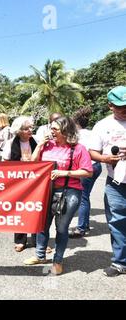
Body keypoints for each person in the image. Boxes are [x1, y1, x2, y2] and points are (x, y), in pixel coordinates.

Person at [24, 116, 93, 275]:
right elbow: (33, 163)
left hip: (69, 191)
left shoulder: (78, 149)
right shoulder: (47, 145)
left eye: (55, 129)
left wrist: (64, 172)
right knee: (42, 224)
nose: (51, 131)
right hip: (46, 190)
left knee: (61, 228)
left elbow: (88, 172)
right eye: (51, 128)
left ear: (65, 130)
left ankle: (58, 261)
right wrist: (40, 145)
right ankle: (40, 256)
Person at [89, 86, 126, 277]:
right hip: (116, 184)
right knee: (118, 222)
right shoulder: (102, 126)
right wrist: (105, 159)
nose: (125, 109)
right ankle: (120, 262)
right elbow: (92, 152)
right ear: (110, 105)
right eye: (121, 106)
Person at [0, 116, 38, 252]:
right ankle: (20, 240)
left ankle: (38, 241)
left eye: (31, 128)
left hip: (36, 183)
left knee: (36, 210)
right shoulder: (10, 143)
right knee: (20, 211)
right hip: (18, 184)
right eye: (26, 128)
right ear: (19, 131)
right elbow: (5, 164)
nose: (30, 130)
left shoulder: (36, 142)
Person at [68, 107, 102, 238]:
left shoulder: (77, 136)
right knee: (85, 196)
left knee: (83, 197)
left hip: (86, 168)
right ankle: (85, 225)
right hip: (96, 166)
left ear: (76, 123)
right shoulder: (92, 132)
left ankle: (82, 228)